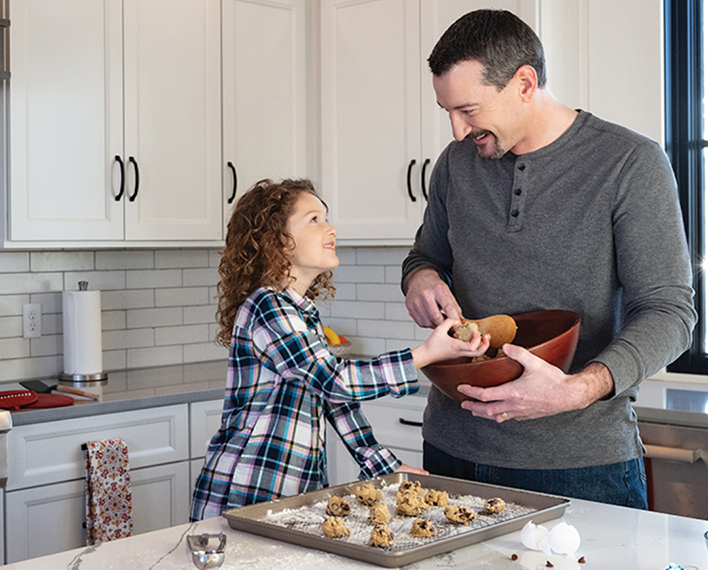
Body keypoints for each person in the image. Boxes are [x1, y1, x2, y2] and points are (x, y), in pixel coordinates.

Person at [401, 9, 697, 508]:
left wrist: (578, 389)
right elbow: (425, 255)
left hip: (580, 466)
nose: (456, 131)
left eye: (468, 110)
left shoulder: (630, 164)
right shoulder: (456, 166)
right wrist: (422, 279)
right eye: (447, 111)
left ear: (524, 82)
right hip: (452, 452)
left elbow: (670, 313)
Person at [190, 178, 489, 520]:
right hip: (245, 493)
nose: (330, 228)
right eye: (314, 219)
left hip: (290, 495)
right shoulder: (267, 307)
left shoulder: (302, 313)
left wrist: (387, 467)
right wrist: (426, 354)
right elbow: (335, 381)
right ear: (280, 241)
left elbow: (335, 402)